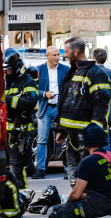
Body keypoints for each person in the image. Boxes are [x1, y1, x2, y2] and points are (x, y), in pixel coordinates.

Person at [52, 37, 111, 187]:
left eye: (66, 52)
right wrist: (61, 128)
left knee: (89, 172)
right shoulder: (72, 72)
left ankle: (89, 201)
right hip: (71, 135)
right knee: (73, 172)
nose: (64, 55)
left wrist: (94, 131)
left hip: (86, 135)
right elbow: (65, 102)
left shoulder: (96, 74)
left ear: (76, 52)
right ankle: (76, 198)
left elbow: (102, 104)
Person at [48, 124, 111, 218]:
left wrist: (67, 204)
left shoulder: (87, 162)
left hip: (101, 207)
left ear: (86, 141)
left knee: (54, 211)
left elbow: (76, 194)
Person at [3, 48, 38, 189]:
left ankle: (20, 194)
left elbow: (30, 102)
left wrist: (7, 100)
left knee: (18, 165)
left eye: (8, 69)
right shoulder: (3, 81)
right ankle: (17, 193)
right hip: (6, 131)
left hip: (22, 132)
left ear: (16, 67)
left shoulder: (27, 81)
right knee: (9, 164)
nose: (6, 72)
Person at [33, 46, 70, 179]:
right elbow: (32, 90)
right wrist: (44, 94)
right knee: (42, 140)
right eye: (54, 55)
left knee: (65, 140)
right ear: (47, 56)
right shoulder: (38, 70)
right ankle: (41, 170)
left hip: (60, 109)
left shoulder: (65, 69)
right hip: (45, 108)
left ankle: (68, 169)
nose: (57, 58)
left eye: (58, 55)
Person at [93, 48, 111, 149]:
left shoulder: (91, 72)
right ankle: (106, 161)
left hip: (93, 112)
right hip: (107, 112)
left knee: (93, 139)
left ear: (94, 58)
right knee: (105, 139)